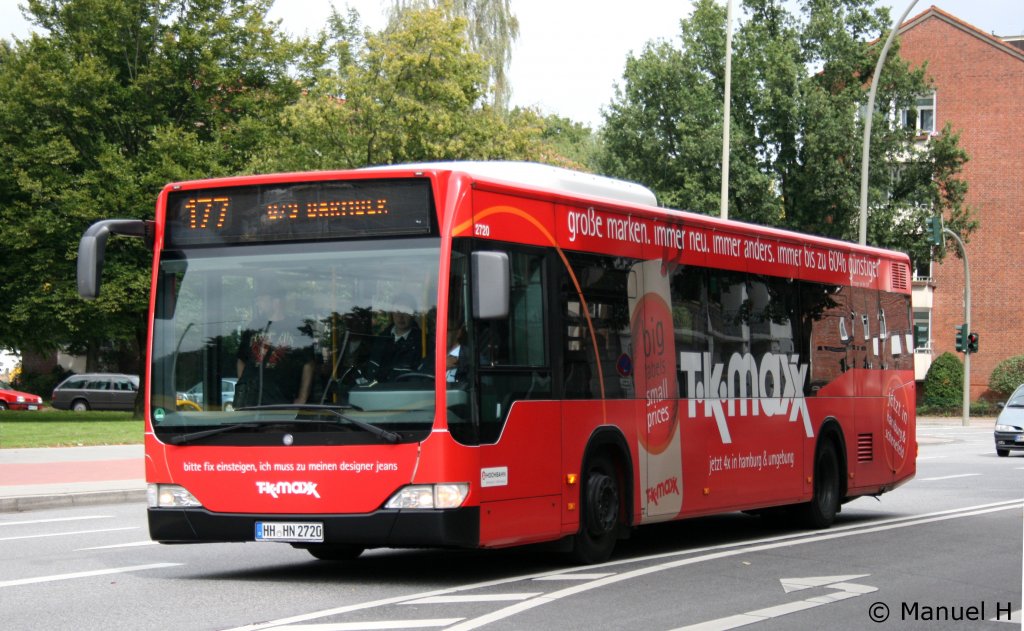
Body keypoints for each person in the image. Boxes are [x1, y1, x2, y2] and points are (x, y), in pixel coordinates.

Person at [234, 284, 315, 407]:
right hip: (250, 404)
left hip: (282, 402)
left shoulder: (298, 327)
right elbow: (241, 359)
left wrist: (302, 398)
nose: (258, 303)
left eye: (262, 299)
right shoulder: (254, 325)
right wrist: (243, 387)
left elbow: (308, 363)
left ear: (276, 301)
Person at [366, 294, 423, 382]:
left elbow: (420, 379)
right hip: (376, 391)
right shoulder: (381, 338)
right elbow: (370, 371)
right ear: (391, 313)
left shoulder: (422, 342)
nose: (401, 316)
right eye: (397, 310)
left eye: (406, 311)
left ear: (413, 314)